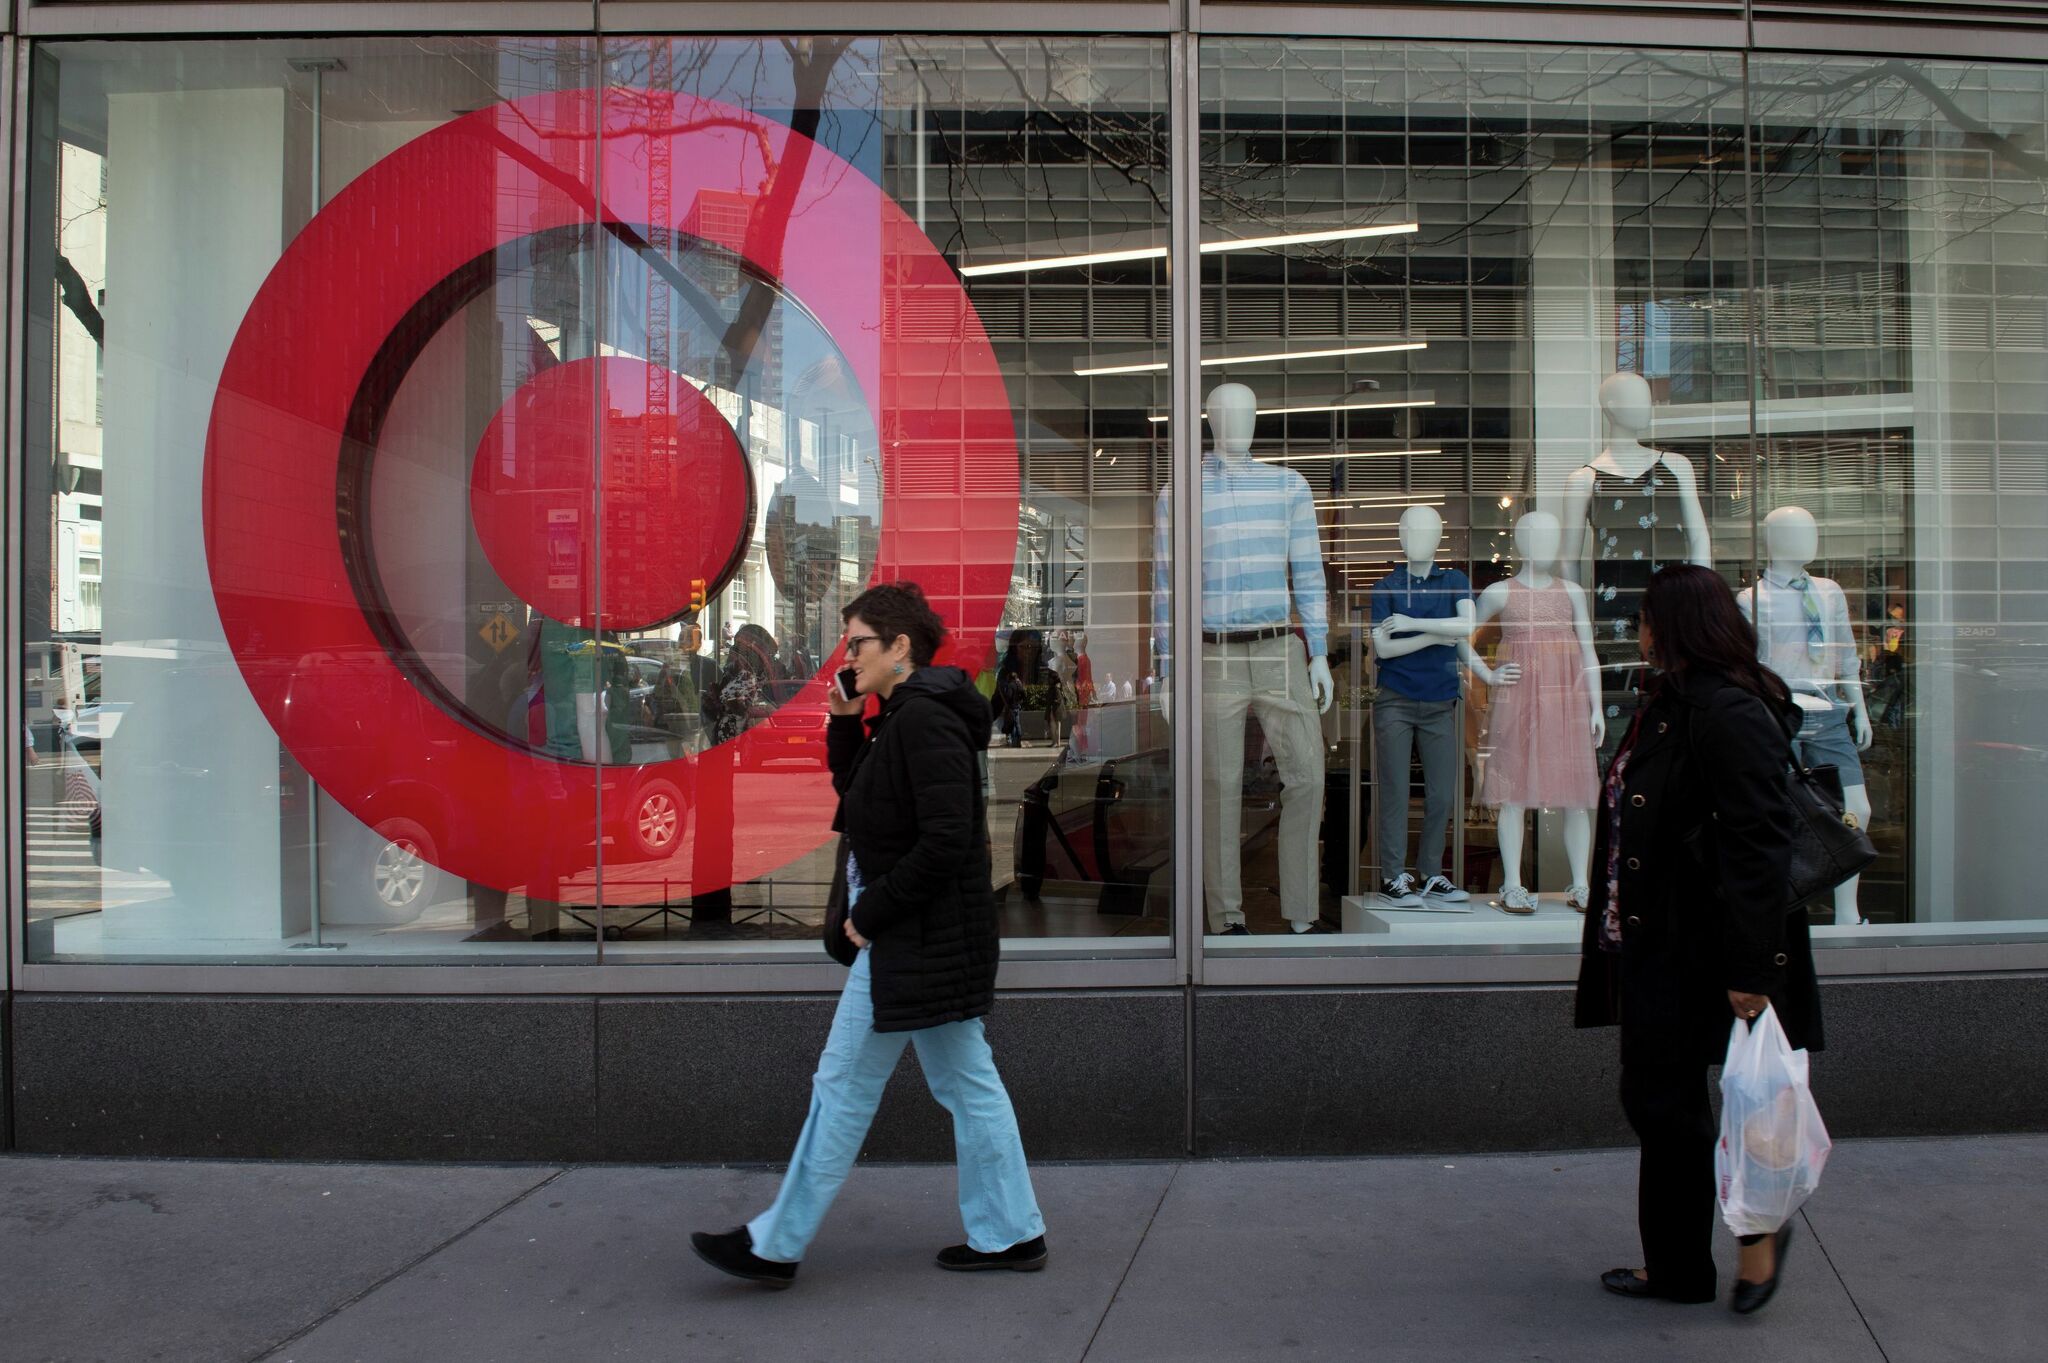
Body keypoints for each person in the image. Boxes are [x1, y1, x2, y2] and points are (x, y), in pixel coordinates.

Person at [691, 582, 1046, 1287]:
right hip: (921, 939)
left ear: (899, 646)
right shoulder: (904, 715)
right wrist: (847, 721)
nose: (847, 656)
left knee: (846, 1083)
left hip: (912, 938)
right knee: (965, 1083)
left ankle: (777, 1243)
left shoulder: (925, 721)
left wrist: (870, 913)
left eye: (857, 643)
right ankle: (1010, 1230)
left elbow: (948, 841)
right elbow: (862, 798)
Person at [1575, 564, 1822, 1316]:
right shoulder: (1671, 702)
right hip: (1658, 939)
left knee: (1731, 1100)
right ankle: (1687, 1263)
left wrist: (1753, 970)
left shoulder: (1726, 710)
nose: (1640, 632)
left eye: (1648, 618)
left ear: (1676, 625)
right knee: (1666, 1101)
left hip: (1708, 946)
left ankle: (1740, 1248)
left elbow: (1760, 845)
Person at [991, 628, 1059, 747]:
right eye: (1024, 647)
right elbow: (998, 702)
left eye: (1034, 647)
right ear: (1015, 648)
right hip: (1013, 724)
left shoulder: (1045, 672)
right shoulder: (1006, 673)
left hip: (1040, 732)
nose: (1029, 652)